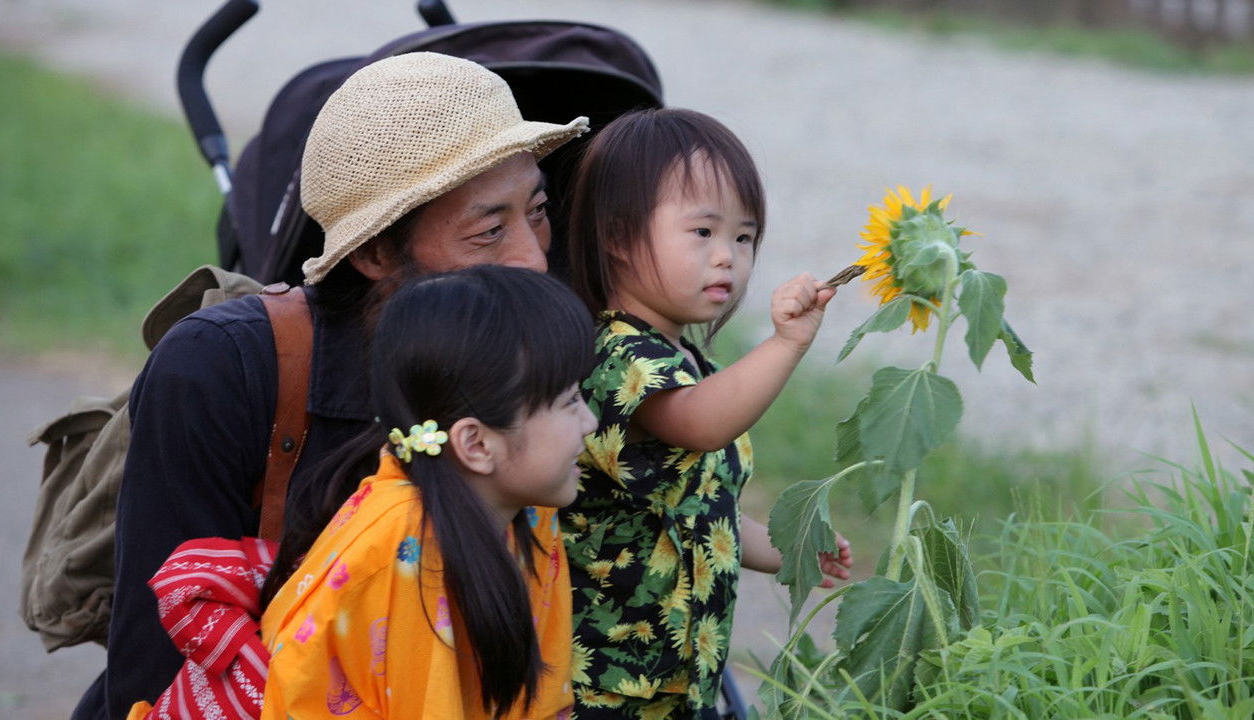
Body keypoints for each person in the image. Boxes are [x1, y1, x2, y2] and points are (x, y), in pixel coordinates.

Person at [74, 52, 588, 720]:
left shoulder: (539, 371)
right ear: (374, 253)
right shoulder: (221, 369)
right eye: (488, 232)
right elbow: (155, 659)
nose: (534, 258)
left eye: (538, 211)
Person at [563, 108, 853, 718]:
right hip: (608, 684)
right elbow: (700, 424)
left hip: (677, 681)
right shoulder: (614, 354)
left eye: (744, 238)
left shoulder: (684, 359)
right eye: (702, 232)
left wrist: (790, 550)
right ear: (618, 237)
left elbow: (705, 510)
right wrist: (786, 343)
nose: (727, 257)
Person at [258, 265, 599, 719]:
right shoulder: (403, 548)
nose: (590, 422)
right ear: (476, 444)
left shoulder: (530, 509)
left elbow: (543, 704)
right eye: (569, 401)